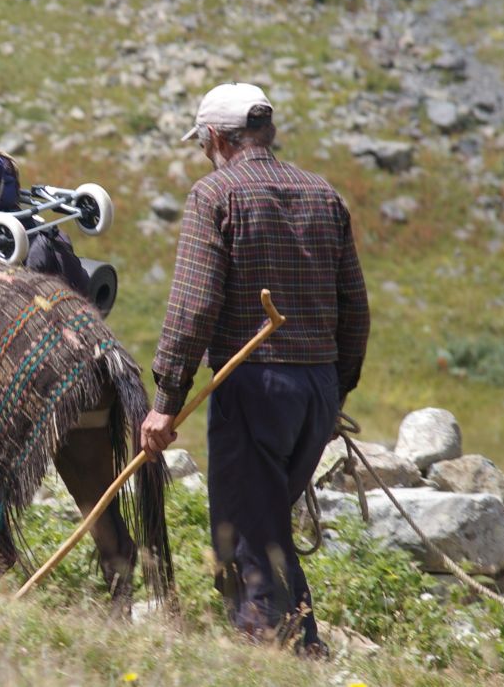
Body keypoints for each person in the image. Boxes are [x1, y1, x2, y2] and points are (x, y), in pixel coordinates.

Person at [140, 82, 369, 657]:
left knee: (249, 532)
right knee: (265, 526)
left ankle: (275, 650)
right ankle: (294, 642)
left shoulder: (215, 195)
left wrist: (166, 400)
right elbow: (355, 309)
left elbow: (193, 307)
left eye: (202, 144)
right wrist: (335, 392)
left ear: (215, 138)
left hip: (255, 384)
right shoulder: (324, 194)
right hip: (316, 389)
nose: (202, 154)